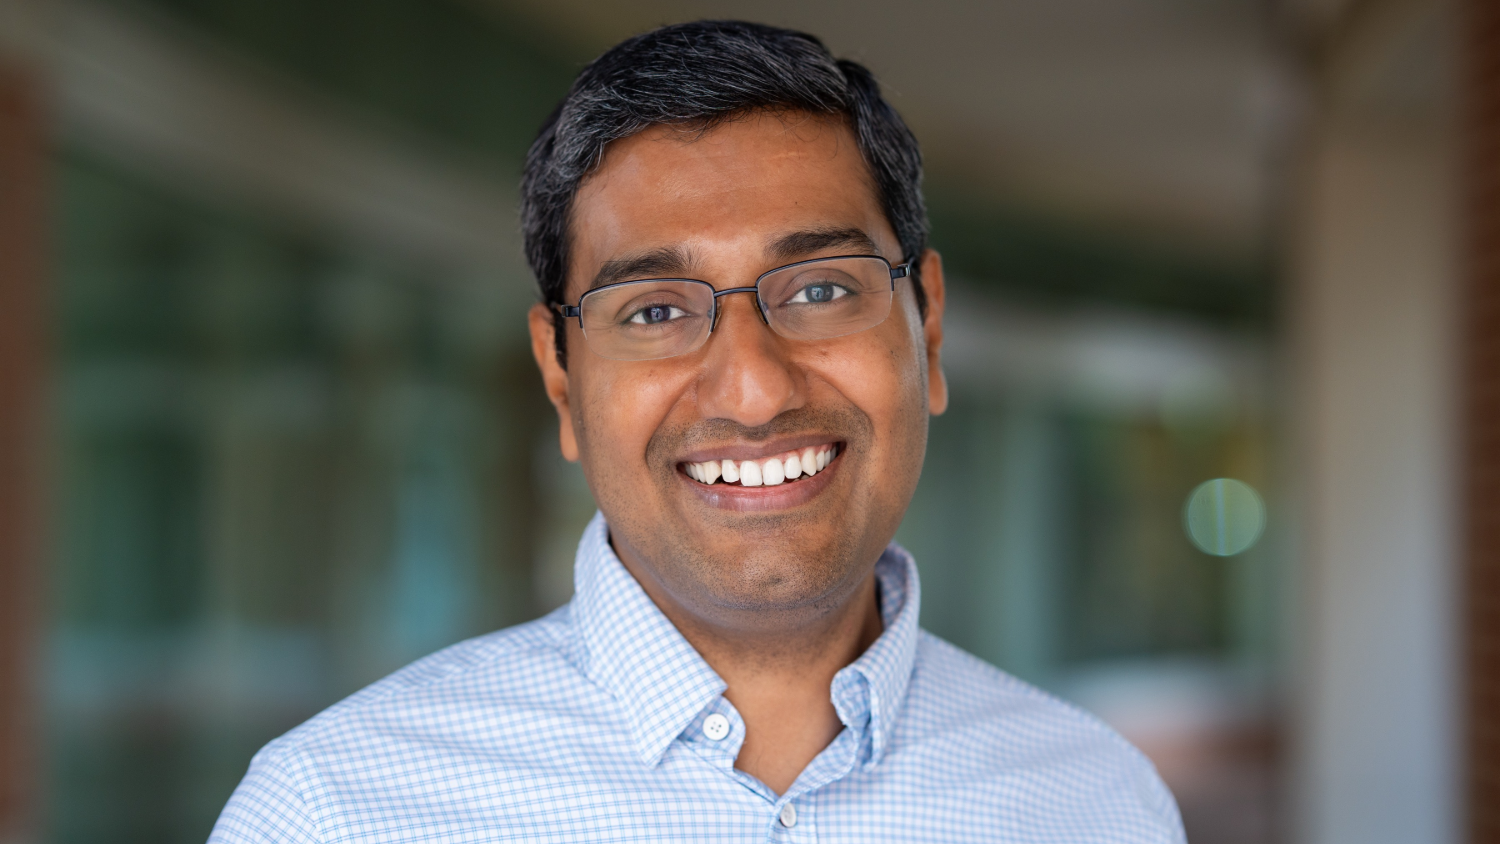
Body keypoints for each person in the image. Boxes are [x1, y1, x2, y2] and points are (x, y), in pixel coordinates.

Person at [210, 20, 1184, 843]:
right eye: (654, 310)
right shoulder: (333, 813)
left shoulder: (1100, 805)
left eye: (820, 290)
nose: (753, 391)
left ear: (926, 331)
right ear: (561, 376)